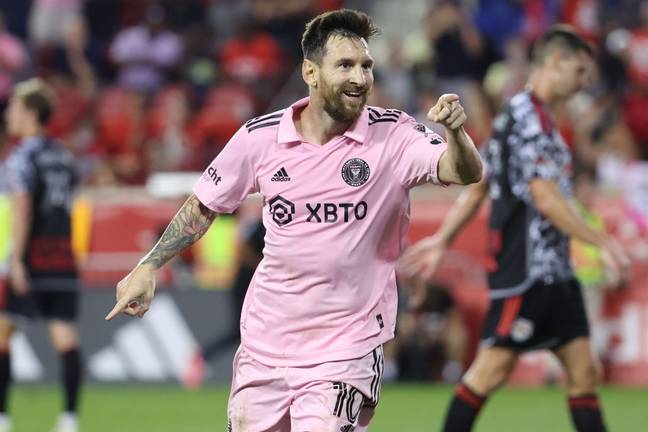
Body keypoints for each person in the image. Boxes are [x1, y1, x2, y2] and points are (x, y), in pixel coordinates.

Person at [106, 9, 482, 431]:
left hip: (346, 348)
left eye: (366, 66)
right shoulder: (261, 137)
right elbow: (203, 205)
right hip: (265, 346)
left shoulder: (393, 134)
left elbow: (462, 171)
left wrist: (456, 133)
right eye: (345, 65)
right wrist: (149, 265)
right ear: (311, 71)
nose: (360, 77)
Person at [400, 26, 630, 432]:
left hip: (555, 271)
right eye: (579, 71)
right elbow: (544, 197)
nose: (584, 82)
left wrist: (443, 239)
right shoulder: (525, 118)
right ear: (555, 62)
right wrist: (601, 241)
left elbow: (481, 185)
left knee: (583, 372)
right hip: (525, 271)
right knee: (489, 371)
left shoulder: (535, 118)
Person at [0, 78, 82, 432]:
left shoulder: (22, 157)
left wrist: (17, 258)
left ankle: (2, 416)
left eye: (14, 108)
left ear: (32, 113)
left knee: (2, 333)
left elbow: (23, 207)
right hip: (63, 258)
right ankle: (69, 417)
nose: (8, 115)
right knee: (65, 337)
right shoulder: (64, 157)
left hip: (33, 257)